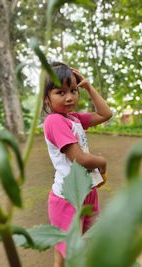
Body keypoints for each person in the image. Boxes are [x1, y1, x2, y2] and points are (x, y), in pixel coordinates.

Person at [42, 62, 112, 267]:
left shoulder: (74, 118)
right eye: (60, 92)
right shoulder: (54, 121)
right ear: (47, 98)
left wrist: (89, 87)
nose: (70, 97)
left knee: (79, 245)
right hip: (68, 198)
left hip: (85, 190)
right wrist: (103, 162)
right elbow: (80, 158)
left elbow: (106, 114)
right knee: (69, 253)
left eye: (73, 90)